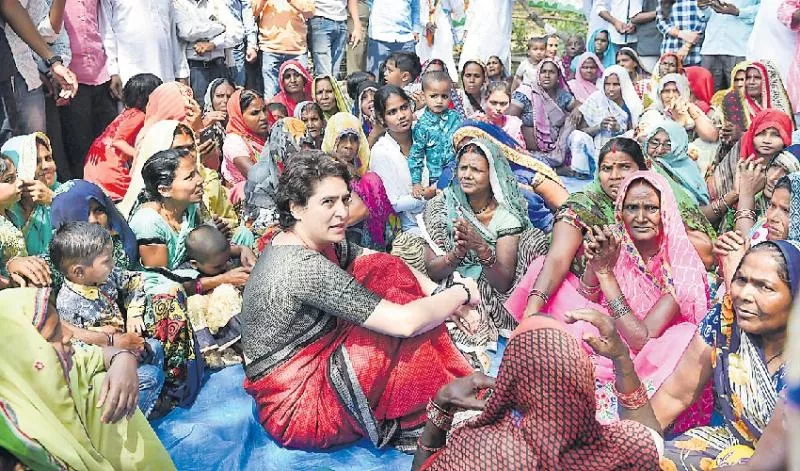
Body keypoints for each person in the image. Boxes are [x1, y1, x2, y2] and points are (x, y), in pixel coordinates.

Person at [240, 150, 477, 449]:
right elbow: (404, 323)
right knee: (399, 319)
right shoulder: (301, 265)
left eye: (344, 199)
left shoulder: (302, 237)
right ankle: (426, 405)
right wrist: (462, 293)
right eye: (328, 202)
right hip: (298, 408)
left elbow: (376, 259)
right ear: (297, 208)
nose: (342, 212)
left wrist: (438, 294)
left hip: (314, 362)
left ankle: (432, 378)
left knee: (384, 270)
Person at [508, 171, 710, 423]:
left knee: (685, 335)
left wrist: (606, 274)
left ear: (665, 212)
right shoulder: (617, 240)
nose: (640, 217)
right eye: (632, 208)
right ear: (620, 210)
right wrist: (596, 263)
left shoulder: (677, 262)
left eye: (651, 208)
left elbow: (641, 339)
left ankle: (612, 402)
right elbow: (586, 295)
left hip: (646, 353)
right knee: (546, 273)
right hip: (605, 328)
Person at [582, 240, 798, 467]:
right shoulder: (724, 321)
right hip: (733, 442)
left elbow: (764, 465)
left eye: (765, 287)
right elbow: (676, 396)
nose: (744, 294)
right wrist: (633, 447)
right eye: (741, 280)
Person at [411, 317, 663, 470]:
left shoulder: (478, 448)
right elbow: (652, 440)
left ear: (509, 381)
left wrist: (442, 404)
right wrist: (621, 359)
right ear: (583, 378)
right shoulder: (619, 449)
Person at [397, 137, 549, 365]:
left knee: (534, 241)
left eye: (476, 170)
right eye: (463, 168)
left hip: (491, 286)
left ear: (492, 176)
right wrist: (457, 253)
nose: (466, 175)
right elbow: (432, 270)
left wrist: (480, 248)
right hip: (449, 280)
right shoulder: (443, 205)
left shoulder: (506, 217)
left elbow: (503, 282)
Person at [0, 287, 177, 470]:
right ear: (21, 356)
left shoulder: (66, 371)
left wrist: (124, 359)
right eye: (54, 333)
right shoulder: (17, 452)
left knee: (106, 381)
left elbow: (96, 356)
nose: (68, 335)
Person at [509, 138, 647, 317]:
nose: (615, 176)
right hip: (578, 289)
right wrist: (531, 312)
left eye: (624, 167)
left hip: (635, 291)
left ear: (642, 169)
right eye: (607, 168)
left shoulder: (652, 200)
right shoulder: (583, 205)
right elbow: (557, 259)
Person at [51, 221, 166, 419]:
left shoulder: (106, 276)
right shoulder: (68, 304)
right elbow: (79, 352)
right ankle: (130, 421)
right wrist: (109, 342)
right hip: (103, 368)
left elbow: (135, 281)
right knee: (151, 377)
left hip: (123, 347)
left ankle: (149, 401)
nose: (113, 264)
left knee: (154, 347)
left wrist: (134, 313)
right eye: (106, 261)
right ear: (79, 272)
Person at [59, 0, 120, 181]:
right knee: (80, 146)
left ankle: (109, 194)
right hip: (72, 81)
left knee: (110, 142)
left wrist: (113, 70)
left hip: (101, 75)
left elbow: (105, 28)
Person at [709, 109, 799, 230]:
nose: (766, 140)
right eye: (760, 133)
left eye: (776, 134)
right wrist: (736, 194)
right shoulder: (740, 162)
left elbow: (746, 240)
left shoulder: (792, 162)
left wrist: (746, 195)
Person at [322, 112, 398, 250]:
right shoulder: (324, 175)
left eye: (354, 139)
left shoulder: (367, 177)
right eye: (342, 138)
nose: (349, 145)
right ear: (331, 138)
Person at [83, 73, 162, 201]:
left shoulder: (126, 114)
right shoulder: (139, 116)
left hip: (95, 170)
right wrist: (141, 156)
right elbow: (118, 141)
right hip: (110, 175)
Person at [177, 224, 246, 369]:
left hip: (227, 320)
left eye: (227, 260)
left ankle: (236, 345)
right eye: (217, 267)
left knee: (226, 292)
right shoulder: (186, 271)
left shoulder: (222, 259)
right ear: (195, 264)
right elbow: (186, 287)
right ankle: (209, 352)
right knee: (195, 302)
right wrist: (223, 279)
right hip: (207, 322)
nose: (224, 267)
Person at [369, 85, 425, 234]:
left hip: (438, 217)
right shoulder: (381, 151)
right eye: (392, 112)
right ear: (382, 118)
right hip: (406, 228)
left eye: (404, 107)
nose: (401, 115)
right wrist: (428, 196)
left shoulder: (425, 137)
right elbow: (393, 203)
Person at [508, 58, 578, 167]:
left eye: (552, 72)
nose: (547, 75)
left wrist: (577, 110)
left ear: (558, 77)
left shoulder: (562, 96)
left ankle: (555, 164)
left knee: (571, 121)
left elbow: (579, 105)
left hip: (555, 154)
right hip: (525, 153)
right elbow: (508, 122)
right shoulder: (525, 93)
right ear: (538, 75)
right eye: (543, 72)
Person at [173, 0, 244, 107]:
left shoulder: (216, 3)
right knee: (200, 110)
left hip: (220, 66)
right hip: (196, 70)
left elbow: (238, 31)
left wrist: (213, 44)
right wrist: (221, 27)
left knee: (225, 109)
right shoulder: (178, 4)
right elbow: (188, 31)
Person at [101, 0, 189, 84]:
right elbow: (106, 32)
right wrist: (113, 72)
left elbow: (173, 35)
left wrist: (181, 74)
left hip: (164, 76)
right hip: (129, 77)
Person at [1, 132, 60, 256]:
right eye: (36, 161)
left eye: (48, 158)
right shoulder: (6, 207)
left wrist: (55, 201)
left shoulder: (65, 191)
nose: (46, 166)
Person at [0, 153, 53, 289]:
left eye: (16, 176)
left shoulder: (11, 216)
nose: (19, 183)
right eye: (9, 179)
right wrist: (9, 283)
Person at [408, 71, 462, 194]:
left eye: (444, 96)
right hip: (433, 178)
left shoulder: (456, 118)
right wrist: (416, 183)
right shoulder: (422, 125)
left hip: (455, 174)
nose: (439, 101)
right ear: (423, 96)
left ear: (450, 95)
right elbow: (416, 154)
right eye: (434, 96)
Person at [720, 61, 793, 148]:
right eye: (748, 77)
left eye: (757, 78)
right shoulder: (735, 104)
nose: (751, 82)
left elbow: (785, 140)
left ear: (768, 80)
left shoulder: (780, 108)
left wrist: (742, 135)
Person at [252, 0, 313, 97]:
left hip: (297, 50)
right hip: (270, 49)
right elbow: (253, 12)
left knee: (301, 94)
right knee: (271, 94)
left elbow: (310, 12)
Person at [637, 73, 719, 143]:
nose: (671, 96)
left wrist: (691, 112)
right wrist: (679, 122)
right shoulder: (653, 113)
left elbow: (712, 137)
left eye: (676, 91)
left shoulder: (690, 109)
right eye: (666, 91)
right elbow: (651, 142)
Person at [699, 0, 758, 92]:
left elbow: (761, 11)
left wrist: (738, 12)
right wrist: (703, 7)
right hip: (711, 48)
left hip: (738, 49)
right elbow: (706, 16)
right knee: (708, 97)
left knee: (740, 97)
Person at [222, 89, 269, 187]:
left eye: (264, 110)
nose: (263, 117)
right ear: (239, 116)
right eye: (255, 113)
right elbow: (258, 177)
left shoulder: (266, 133)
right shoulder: (234, 142)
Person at [307, 0, 363, 77]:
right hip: (320, 18)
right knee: (324, 74)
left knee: (334, 74)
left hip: (342, 21)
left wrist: (357, 25)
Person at [366, 0, 421, 76]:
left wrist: (416, 29)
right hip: (379, 37)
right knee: (377, 76)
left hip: (405, 38)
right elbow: (368, 3)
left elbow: (415, 7)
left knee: (407, 76)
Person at [415, 0, 463, 82]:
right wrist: (426, 22)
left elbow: (457, 9)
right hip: (423, 29)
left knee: (444, 56)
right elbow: (416, 9)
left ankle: (447, 82)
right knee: (424, 56)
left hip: (441, 26)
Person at [656, 0, 707, 66]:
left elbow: (705, 19)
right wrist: (680, 34)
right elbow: (660, 21)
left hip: (696, 52)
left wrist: (688, 44)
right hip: (671, 49)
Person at [200, 77, 236, 166]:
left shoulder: (239, 121)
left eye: (229, 96)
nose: (225, 101)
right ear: (211, 98)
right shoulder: (204, 122)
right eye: (219, 96)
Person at [483, 81, 524, 146]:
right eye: (493, 103)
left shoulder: (513, 125)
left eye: (503, 104)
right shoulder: (477, 122)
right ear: (486, 100)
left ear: (509, 103)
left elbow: (519, 151)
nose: (498, 108)